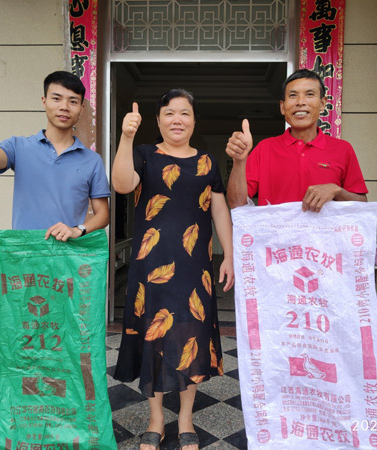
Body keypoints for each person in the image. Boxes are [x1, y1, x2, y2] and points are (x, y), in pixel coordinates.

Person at [112, 90, 234, 450]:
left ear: (194, 120)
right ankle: (155, 419)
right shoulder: (144, 154)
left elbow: (219, 210)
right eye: (169, 113)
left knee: (189, 335)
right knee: (153, 337)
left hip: (194, 268)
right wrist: (126, 137)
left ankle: (184, 419)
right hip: (150, 267)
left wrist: (229, 254)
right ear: (158, 120)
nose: (177, 119)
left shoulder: (208, 163)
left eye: (184, 113)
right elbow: (122, 184)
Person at [0, 69, 110, 237]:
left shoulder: (92, 161)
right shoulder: (18, 147)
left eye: (73, 101)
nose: (64, 107)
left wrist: (77, 229)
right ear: (44, 101)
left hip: (68, 251)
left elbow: (103, 215)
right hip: (25, 250)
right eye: (56, 99)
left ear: (81, 108)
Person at [225, 69, 368, 210]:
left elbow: (363, 206)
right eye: (293, 95)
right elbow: (236, 204)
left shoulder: (343, 149)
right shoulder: (265, 148)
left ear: (323, 103)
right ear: (282, 106)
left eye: (309, 94)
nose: (300, 102)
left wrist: (336, 191)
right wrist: (239, 161)